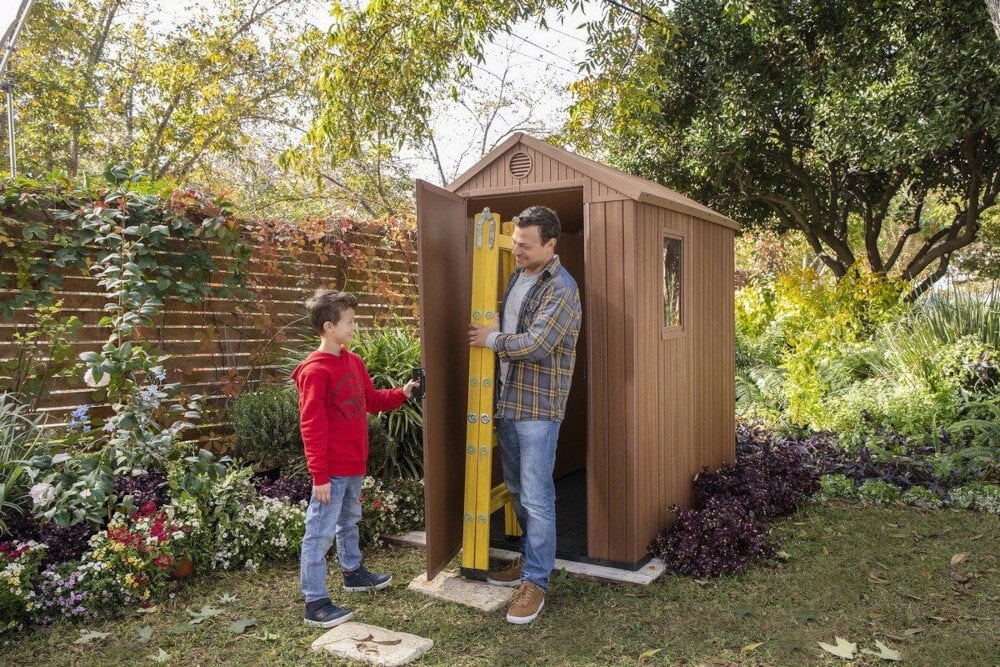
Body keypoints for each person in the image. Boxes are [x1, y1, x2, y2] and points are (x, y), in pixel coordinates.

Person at [468, 205, 582, 624]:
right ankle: (529, 560)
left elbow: (536, 345)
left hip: (538, 409)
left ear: (550, 245)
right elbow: (515, 325)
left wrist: (491, 338)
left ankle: (535, 582)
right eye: (515, 243)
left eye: (526, 245)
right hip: (507, 400)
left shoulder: (562, 288)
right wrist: (499, 328)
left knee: (536, 496)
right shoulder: (519, 276)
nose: (517, 251)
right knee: (517, 489)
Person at [292, 289, 420, 629]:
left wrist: (402, 393)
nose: (354, 326)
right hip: (332, 471)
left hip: (353, 465)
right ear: (329, 327)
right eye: (349, 321)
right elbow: (311, 426)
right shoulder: (314, 371)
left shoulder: (353, 361)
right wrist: (319, 475)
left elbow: (371, 400)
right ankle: (315, 602)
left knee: (349, 521)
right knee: (319, 534)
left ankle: (352, 572)